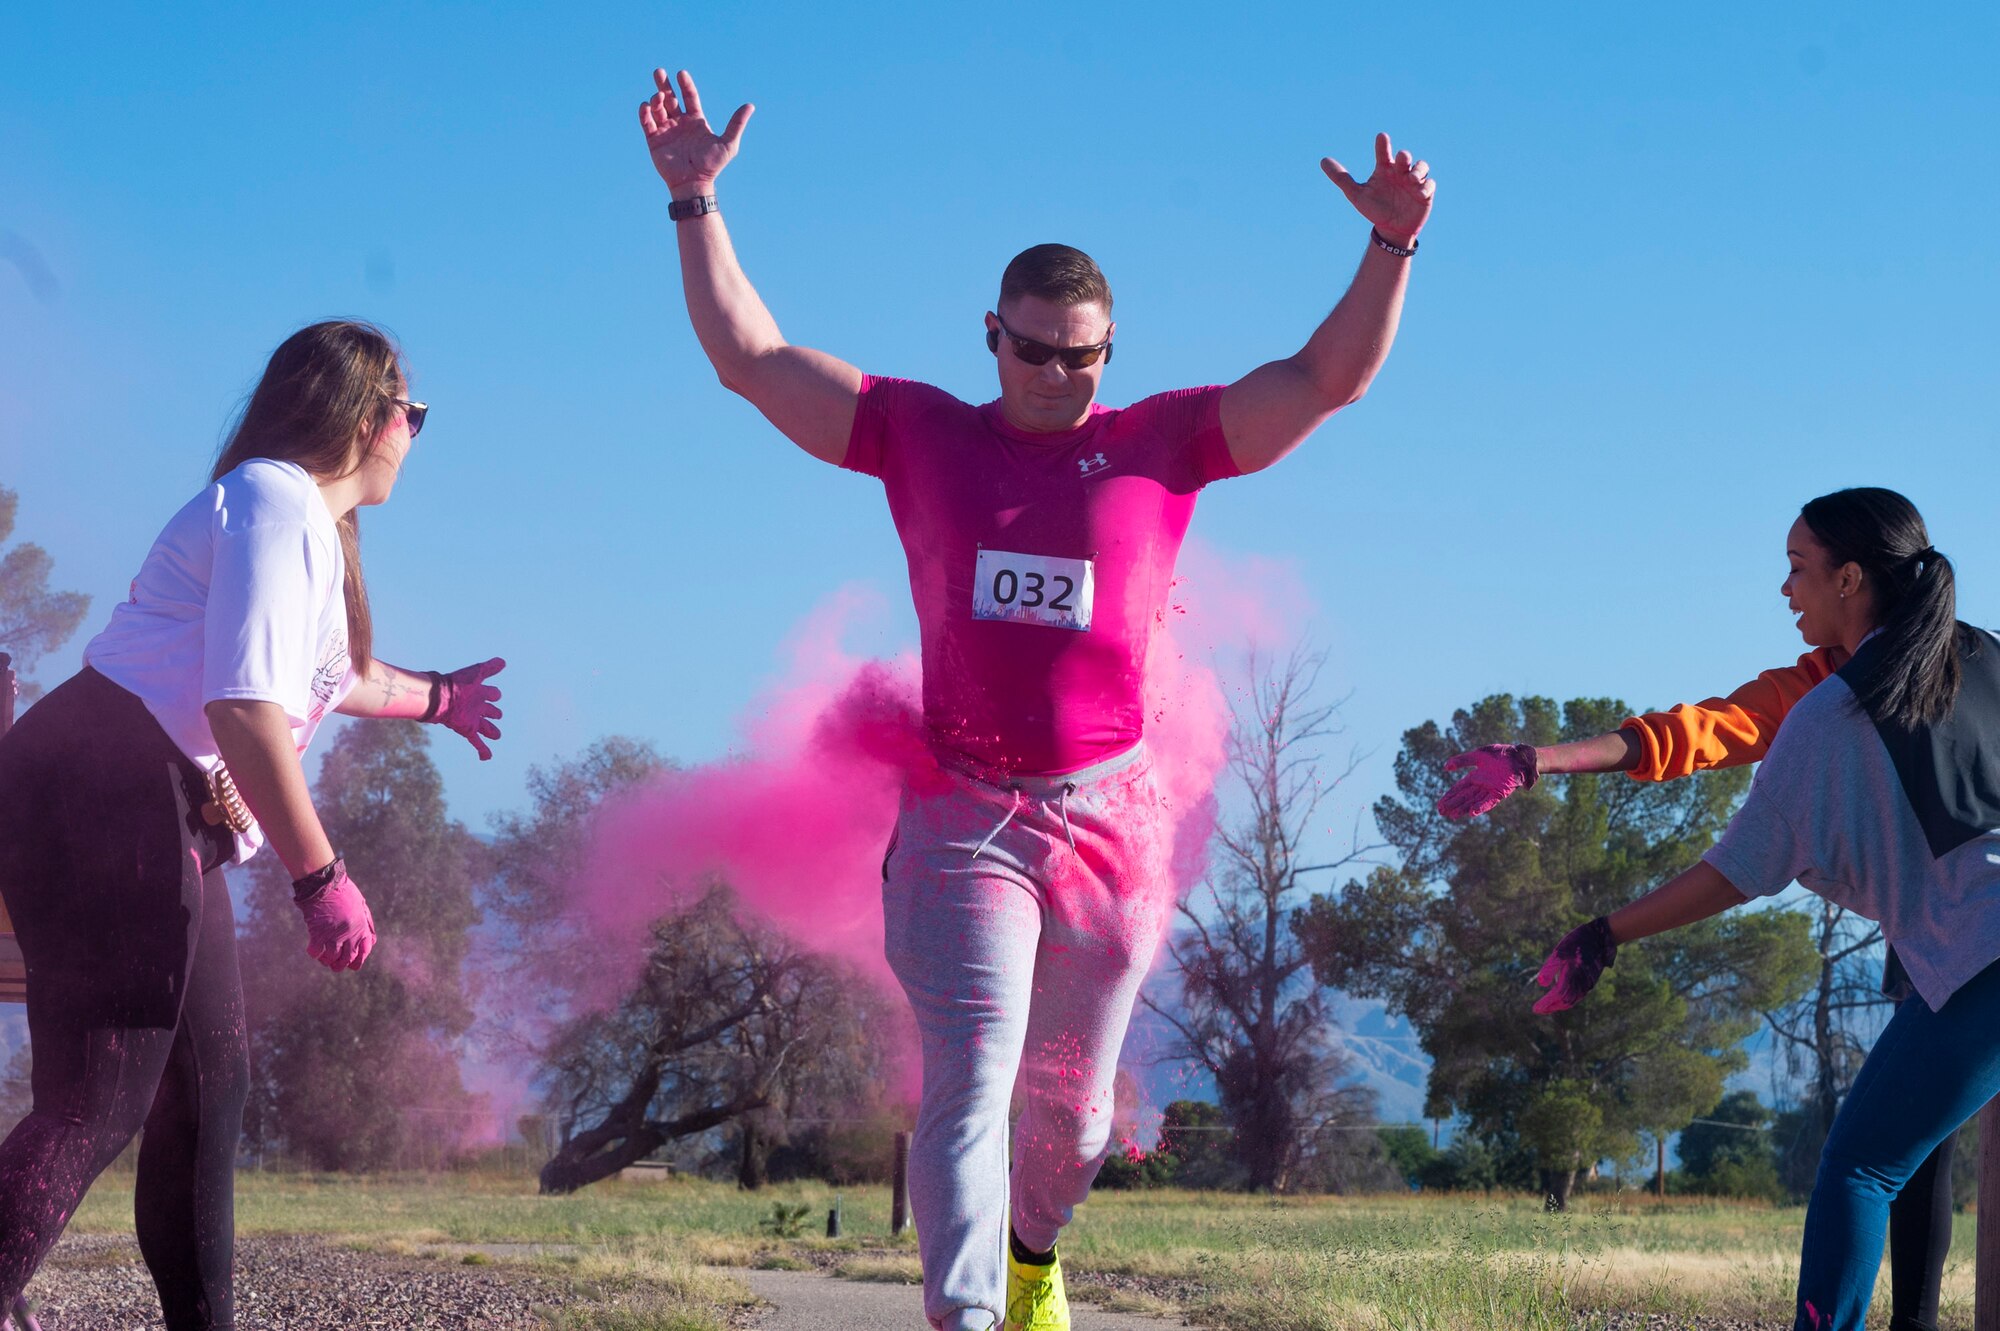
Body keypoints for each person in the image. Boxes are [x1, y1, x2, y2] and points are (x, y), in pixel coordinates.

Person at [637, 66, 1433, 1331]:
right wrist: (695, 205)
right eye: (1031, 350)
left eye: (1081, 356)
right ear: (990, 337)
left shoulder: (1163, 440)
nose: (1056, 375)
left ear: (1110, 351)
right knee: (970, 1077)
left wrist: (1388, 243)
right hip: (965, 814)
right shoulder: (918, 431)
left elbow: (1322, 378)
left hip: (1114, 818)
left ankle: (1027, 1249)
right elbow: (750, 358)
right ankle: (963, 1319)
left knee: (1071, 1113)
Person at [0, 320, 505, 1331]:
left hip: (146, 801)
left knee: (207, 1094)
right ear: (368, 417)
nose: (415, 430)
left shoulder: (297, 524)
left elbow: (329, 674)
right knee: (100, 1093)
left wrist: (438, 698)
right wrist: (321, 877)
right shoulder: (276, 504)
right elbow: (243, 707)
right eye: (414, 412)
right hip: (111, 785)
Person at [1436, 533, 1953, 1331]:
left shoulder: (1858, 702)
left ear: (1851, 577)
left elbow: (1742, 864)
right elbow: (1696, 731)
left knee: (1863, 1164)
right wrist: (1540, 759)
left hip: (1972, 930)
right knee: (1909, 1150)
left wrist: (1607, 932)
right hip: (1942, 931)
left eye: (1799, 566)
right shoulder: (1830, 683)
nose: (1784, 588)